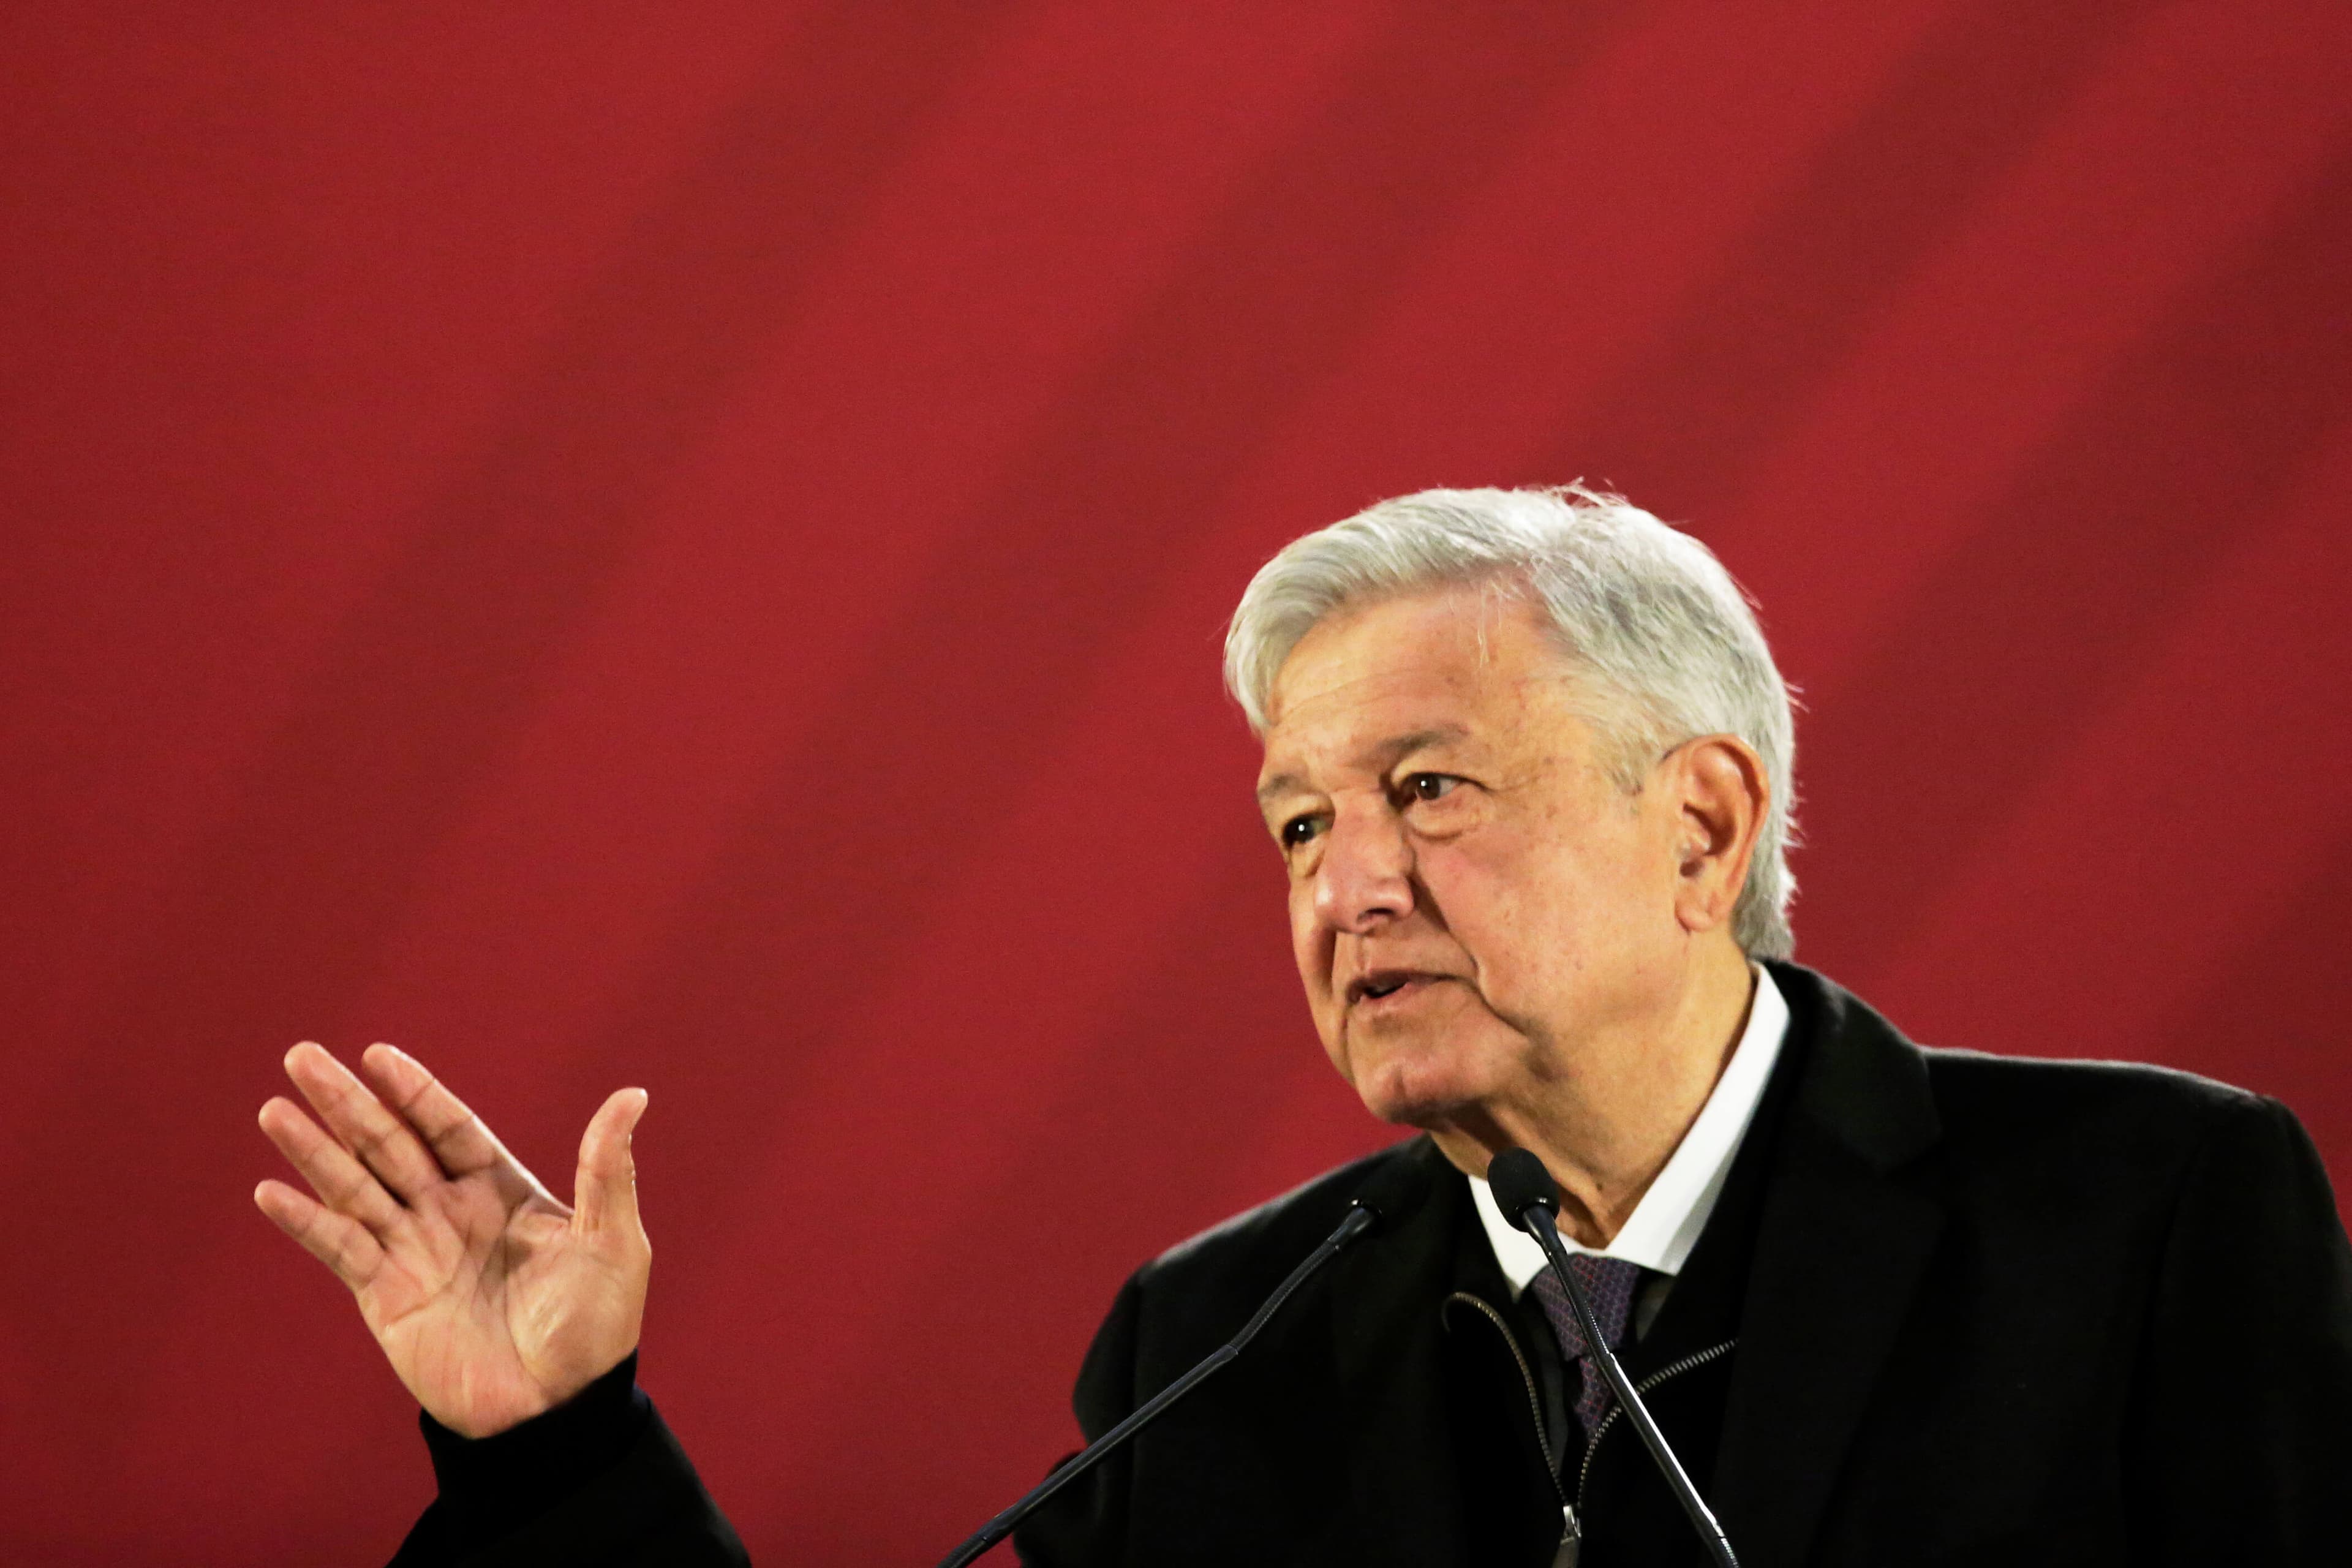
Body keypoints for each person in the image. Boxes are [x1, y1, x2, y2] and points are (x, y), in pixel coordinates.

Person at [256, 486, 2352, 1566]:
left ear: (1700, 821)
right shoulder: (1223, 1342)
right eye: (1295, 825)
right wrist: (558, 1456)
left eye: (1427, 792)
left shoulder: (2146, 1217)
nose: (1346, 890)